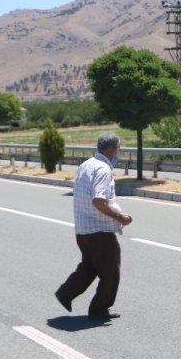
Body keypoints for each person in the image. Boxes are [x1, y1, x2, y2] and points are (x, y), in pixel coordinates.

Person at [55, 132, 132, 320]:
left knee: (89, 267)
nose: (118, 152)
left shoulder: (86, 165)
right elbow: (98, 201)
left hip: (82, 229)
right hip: (100, 230)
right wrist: (120, 216)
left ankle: (66, 293)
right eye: (118, 148)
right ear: (113, 149)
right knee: (111, 272)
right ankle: (99, 309)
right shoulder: (103, 169)